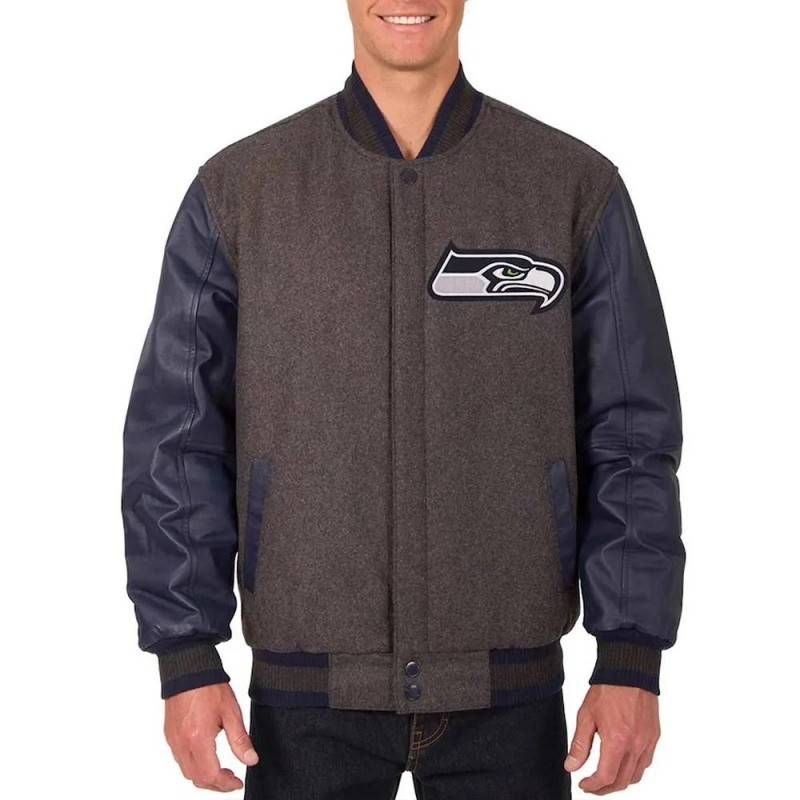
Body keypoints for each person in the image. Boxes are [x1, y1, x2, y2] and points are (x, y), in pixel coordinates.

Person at [121, 2, 685, 797]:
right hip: (304, 703)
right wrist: (186, 655)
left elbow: (630, 435)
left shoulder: (570, 186)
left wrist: (631, 656)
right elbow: (177, 440)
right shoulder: (242, 192)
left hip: (511, 697)